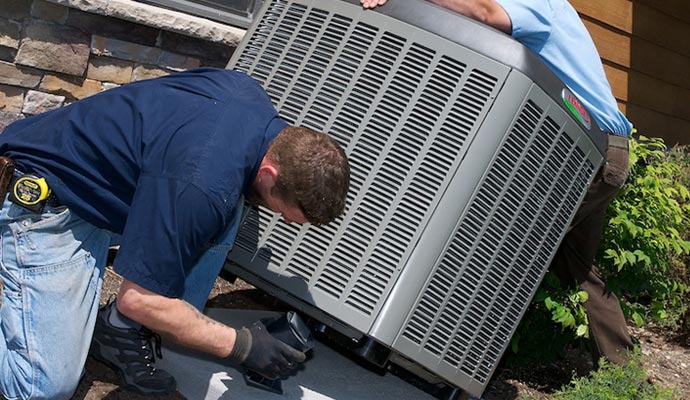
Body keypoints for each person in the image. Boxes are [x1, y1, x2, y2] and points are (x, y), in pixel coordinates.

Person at [0, 67, 350, 400]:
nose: (285, 222)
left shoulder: (248, 96)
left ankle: (120, 329)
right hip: (45, 203)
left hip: (103, 185)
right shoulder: (201, 184)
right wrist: (242, 345)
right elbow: (139, 299)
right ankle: (135, 319)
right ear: (272, 174)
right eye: (287, 213)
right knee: (40, 386)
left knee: (229, 202)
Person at [361, 0, 635, 366]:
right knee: (578, 268)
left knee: (505, 251)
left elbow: (484, 13)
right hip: (602, 152)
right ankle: (625, 372)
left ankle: (445, 359)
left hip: (584, 152)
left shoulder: (543, 4)